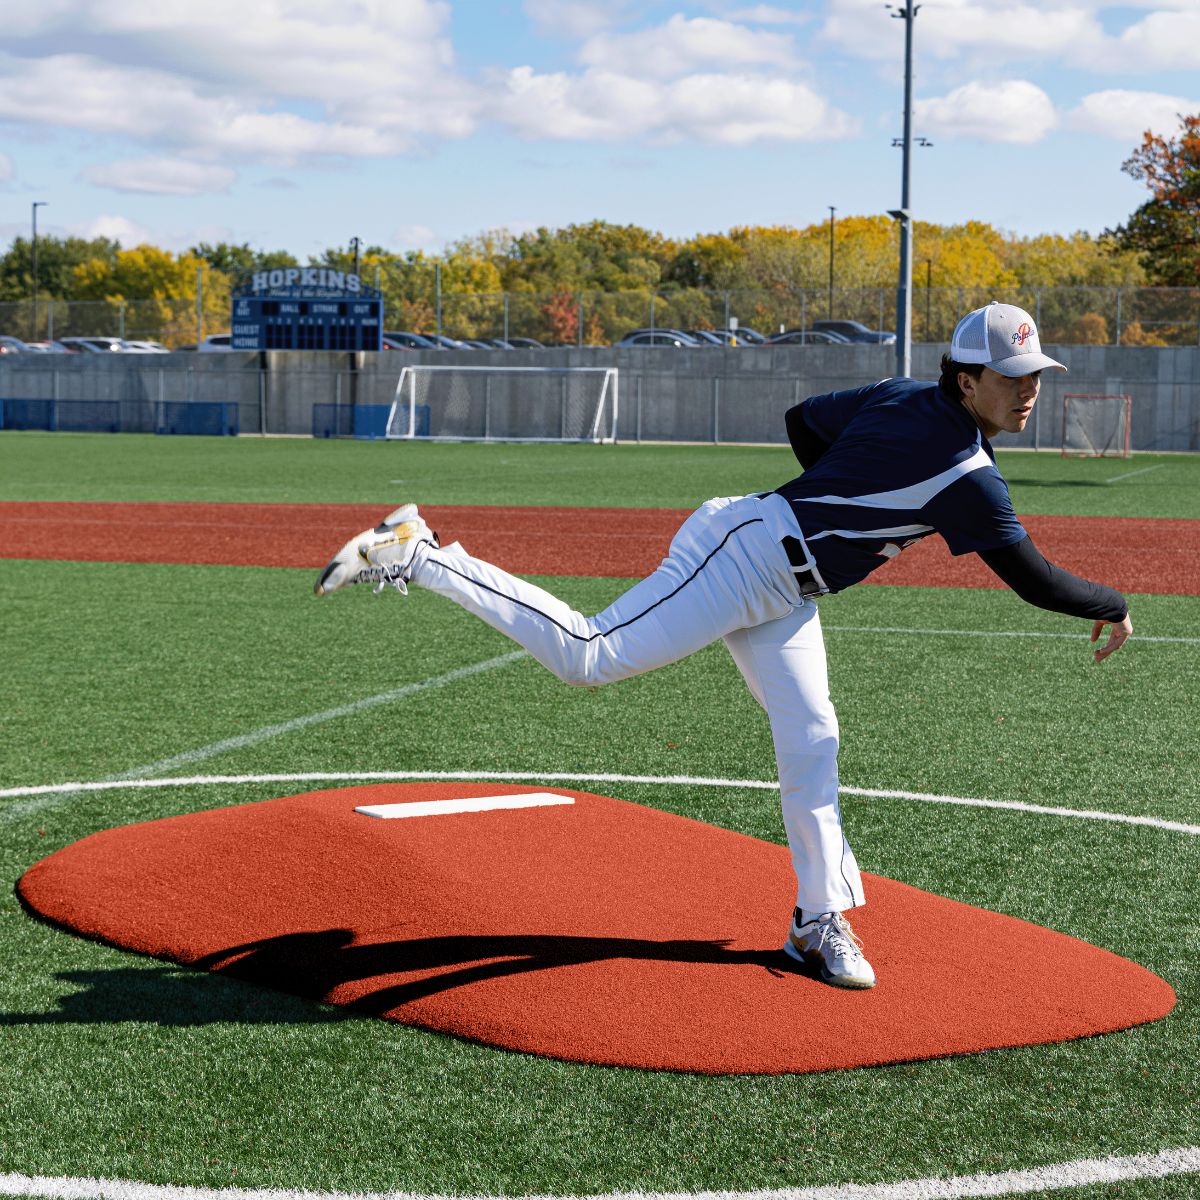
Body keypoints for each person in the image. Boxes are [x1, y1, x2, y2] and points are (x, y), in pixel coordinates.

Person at [314, 301, 1131, 990]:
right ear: (967, 379)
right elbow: (1032, 579)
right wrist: (1115, 603)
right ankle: (420, 553)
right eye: (1014, 378)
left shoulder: (898, 395)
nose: (1029, 392)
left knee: (813, 738)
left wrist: (831, 499)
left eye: (1035, 377)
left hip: (780, 574)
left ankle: (818, 922)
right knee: (588, 658)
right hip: (743, 555)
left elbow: (803, 423)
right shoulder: (967, 475)